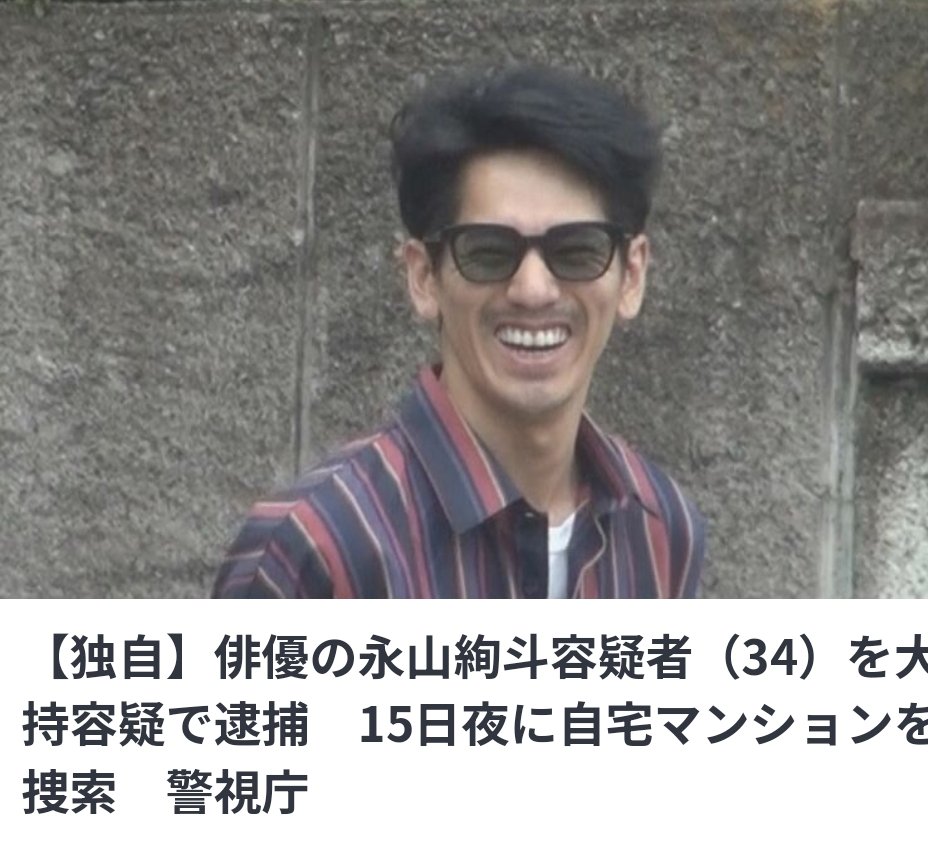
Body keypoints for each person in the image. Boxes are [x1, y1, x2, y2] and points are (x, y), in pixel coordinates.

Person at [213, 64, 705, 598]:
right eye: (488, 252)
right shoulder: (313, 548)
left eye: (577, 250)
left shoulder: (660, 528)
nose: (533, 289)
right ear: (424, 277)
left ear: (631, 276)